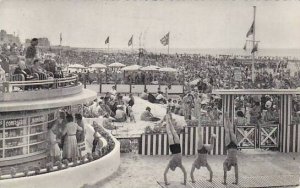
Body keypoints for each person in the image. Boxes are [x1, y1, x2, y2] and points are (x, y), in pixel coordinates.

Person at [164, 111, 187, 186]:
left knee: (172, 133)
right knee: (172, 132)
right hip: (175, 149)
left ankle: (168, 121)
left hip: (175, 149)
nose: (174, 168)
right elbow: (185, 173)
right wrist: (184, 182)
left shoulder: (175, 164)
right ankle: (168, 121)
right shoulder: (178, 164)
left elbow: (185, 173)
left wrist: (166, 182)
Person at [223, 112, 239, 185]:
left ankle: (226, 118)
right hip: (231, 146)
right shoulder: (232, 163)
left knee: (229, 131)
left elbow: (235, 173)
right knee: (229, 131)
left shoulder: (227, 162)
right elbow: (236, 172)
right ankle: (226, 118)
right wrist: (235, 181)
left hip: (233, 147)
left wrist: (225, 181)